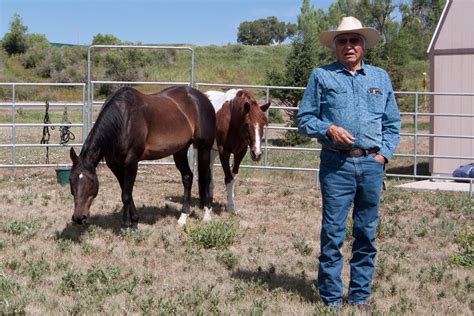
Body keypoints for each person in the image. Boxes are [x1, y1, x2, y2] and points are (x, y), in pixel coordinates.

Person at [297, 16, 401, 308]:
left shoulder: (380, 78)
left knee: (366, 233)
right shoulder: (321, 76)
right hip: (336, 166)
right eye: (342, 41)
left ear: (363, 45)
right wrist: (326, 129)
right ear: (335, 46)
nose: (348, 46)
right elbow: (304, 119)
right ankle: (330, 299)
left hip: (371, 165)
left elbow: (393, 124)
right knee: (333, 233)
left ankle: (359, 297)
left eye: (354, 40)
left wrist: (383, 156)